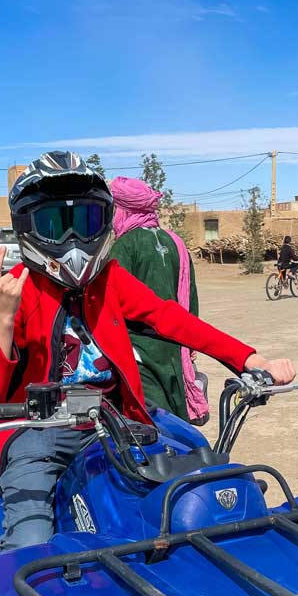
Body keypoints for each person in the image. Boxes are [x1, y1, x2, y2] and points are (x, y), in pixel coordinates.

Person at [0, 151, 297, 552]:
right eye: (55, 224)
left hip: (117, 424)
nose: (72, 239)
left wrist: (249, 359)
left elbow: (170, 318)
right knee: (31, 541)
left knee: (195, 495)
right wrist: (3, 317)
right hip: (39, 435)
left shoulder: (109, 279)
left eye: (85, 221)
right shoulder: (16, 289)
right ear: (28, 227)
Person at [107, 176, 209, 425]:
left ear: (123, 208)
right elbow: (190, 295)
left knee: (152, 422)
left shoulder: (124, 246)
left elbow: (112, 305)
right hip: (176, 346)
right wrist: (190, 342)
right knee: (177, 416)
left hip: (140, 351)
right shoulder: (176, 242)